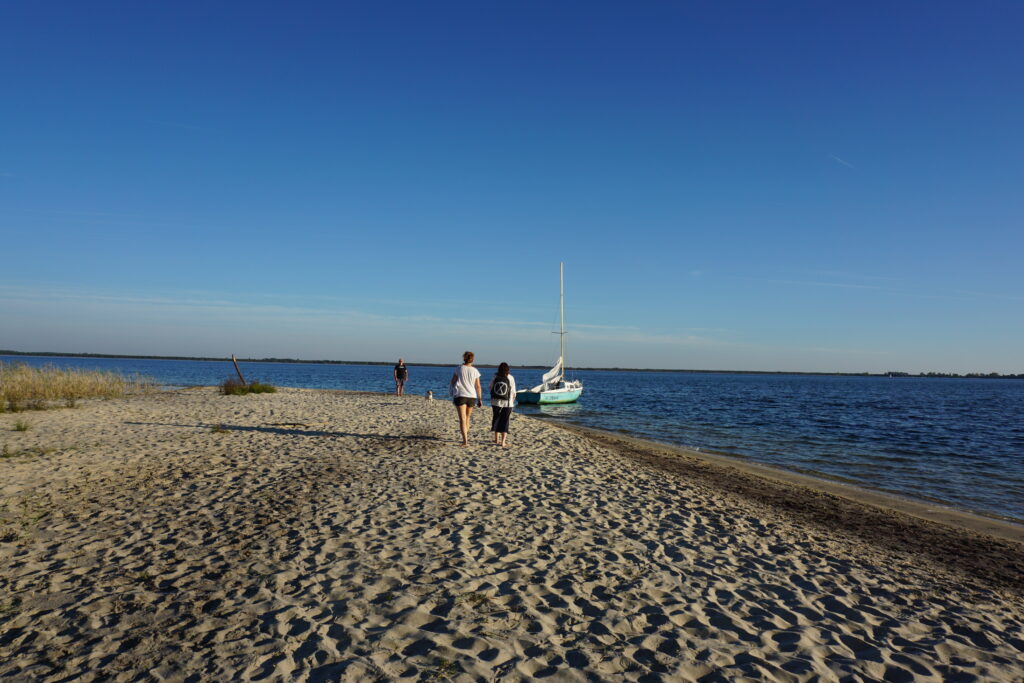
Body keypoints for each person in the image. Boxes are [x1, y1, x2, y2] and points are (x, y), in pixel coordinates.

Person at [450, 351, 482, 447]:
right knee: (467, 418)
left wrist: (454, 389)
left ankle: (465, 441)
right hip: (472, 396)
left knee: (463, 419)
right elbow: (478, 386)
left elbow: (452, 381)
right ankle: (466, 438)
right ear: (472, 359)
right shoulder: (475, 371)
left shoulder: (459, 368)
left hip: (461, 395)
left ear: (464, 358)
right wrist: (480, 398)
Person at [489, 362, 516, 448]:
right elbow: (513, 392)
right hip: (507, 403)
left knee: (496, 418)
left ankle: (496, 439)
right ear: (508, 369)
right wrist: (513, 400)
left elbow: (490, 387)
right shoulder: (511, 377)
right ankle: (503, 442)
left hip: (495, 402)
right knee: (505, 422)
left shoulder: (495, 376)